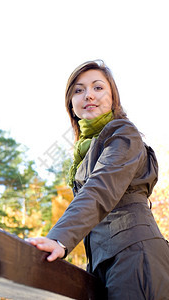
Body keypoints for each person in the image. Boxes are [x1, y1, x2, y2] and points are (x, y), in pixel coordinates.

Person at [27, 60, 169, 299]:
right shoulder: (86, 150)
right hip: (103, 264)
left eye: (98, 88)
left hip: (135, 254)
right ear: (71, 104)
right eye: (79, 90)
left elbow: (100, 188)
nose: (88, 95)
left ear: (113, 97)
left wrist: (59, 240)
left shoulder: (123, 133)